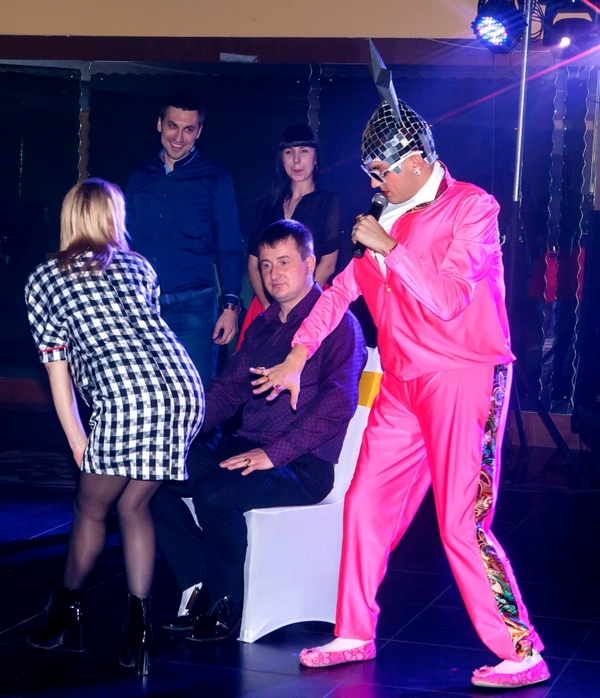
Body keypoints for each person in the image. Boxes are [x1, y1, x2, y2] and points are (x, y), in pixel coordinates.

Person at [251, 79, 551, 688]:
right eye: (370, 172)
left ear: (416, 161)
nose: (375, 182)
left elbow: (449, 300)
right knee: (364, 504)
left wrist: (390, 247)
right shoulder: (384, 217)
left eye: (381, 171)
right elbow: (339, 294)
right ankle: (354, 631)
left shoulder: (472, 208)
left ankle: (521, 650)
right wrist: (299, 354)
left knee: (460, 521)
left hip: (464, 376)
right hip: (401, 383)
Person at [151, 219, 366, 642]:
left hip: (303, 465)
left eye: (284, 262)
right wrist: (177, 430)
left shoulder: (338, 323)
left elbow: (338, 404)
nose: (273, 274)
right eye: (266, 265)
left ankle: (225, 605)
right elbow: (229, 391)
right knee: (153, 476)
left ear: (309, 264)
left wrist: (275, 453)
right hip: (249, 445)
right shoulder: (264, 325)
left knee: (215, 493)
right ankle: (199, 585)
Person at [24, 179, 204, 675]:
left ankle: (63, 611)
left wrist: (77, 439)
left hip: (129, 397)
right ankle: (138, 632)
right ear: (110, 217)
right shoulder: (139, 266)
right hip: (184, 390)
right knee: (133, 504)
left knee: (89, 508)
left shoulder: (46, 278)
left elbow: (58, 372)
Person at [126, 91, 245, 385]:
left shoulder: (216, 178)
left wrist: (230, 308)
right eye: (172, 126)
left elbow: (231, 247)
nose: (179, 137)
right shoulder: (140, 177)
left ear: (199, 131)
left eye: (188, 129)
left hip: (194, 310)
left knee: (194, 397)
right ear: (159, 124)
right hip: (144, 307)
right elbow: (125, 242)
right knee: (146, 395)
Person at [237, 124, 342, 347]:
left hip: (312, 303)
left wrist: (299, 307)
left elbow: (328, 264)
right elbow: (253, 264)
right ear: (281, 159)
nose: (296, 160)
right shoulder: (267, 205)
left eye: (303, 151)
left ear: (315, 157)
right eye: (288, 152)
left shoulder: (328, 202)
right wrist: (270, 307)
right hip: (267, 301)